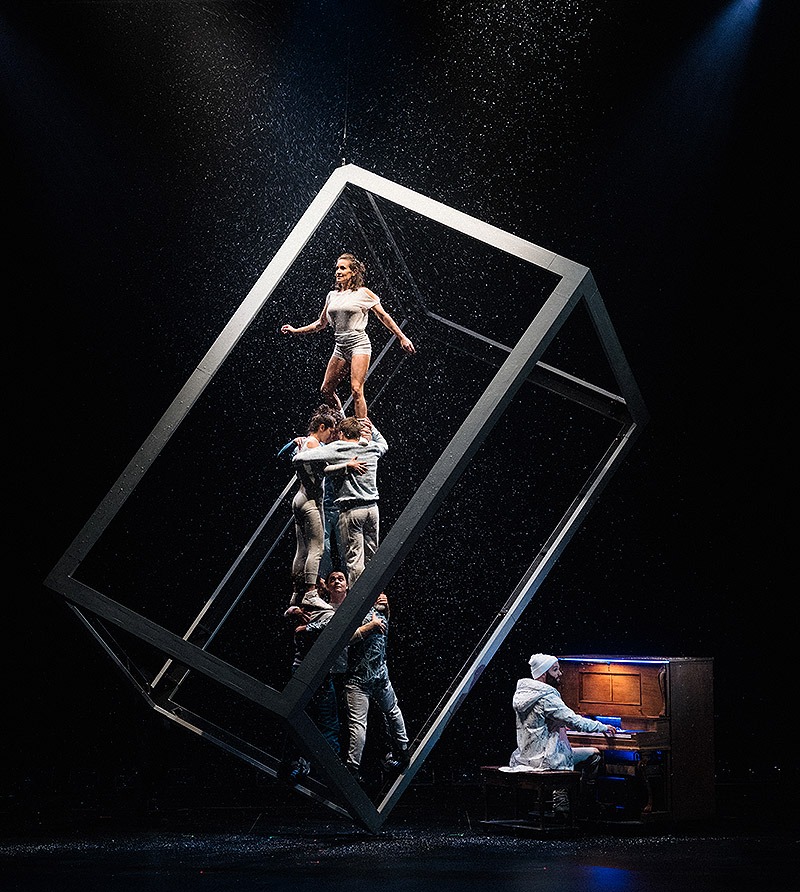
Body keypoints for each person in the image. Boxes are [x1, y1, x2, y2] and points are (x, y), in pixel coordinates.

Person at [281, 253, 415, 419]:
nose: (338, 271)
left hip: (359, 345)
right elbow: (320, 324)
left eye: (343, 268)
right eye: (337, 268)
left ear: (354, 271)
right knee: (326, 390)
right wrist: (295, 330)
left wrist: (401, 337)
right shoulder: (332, 296)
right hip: (340, 347)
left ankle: (364, 430)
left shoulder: (363, 293)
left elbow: (383, 316)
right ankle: (342, 420)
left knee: (356, 389)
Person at [504, 653, 616, 817]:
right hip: (545, 758)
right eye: (555, 670)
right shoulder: (546, 697)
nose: (560, 674)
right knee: (594, 755)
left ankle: (562, 802)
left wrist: (560, 724)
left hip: (527, 756)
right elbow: (575, 721)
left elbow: (542, 720)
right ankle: (580, 804)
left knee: (563, 752)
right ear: (543, 674)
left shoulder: (524, 694)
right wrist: (602, 726)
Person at [292, 416, 387, 587]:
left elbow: (299, 459)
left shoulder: (338, 448)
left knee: (354, 560)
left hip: (352, 511)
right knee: (373, 556)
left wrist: (299, 449)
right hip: (373, 510)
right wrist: (373, 428)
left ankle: (359, 598)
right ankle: (375, 593)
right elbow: (384, 445)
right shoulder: (372, 447)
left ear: (342, 433)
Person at [343, 592, 409, 784]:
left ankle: (402, 750)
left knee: (390, 712)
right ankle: (353, 767)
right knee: (360, 724)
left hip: (377, 676)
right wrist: (370, 627)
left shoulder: (377, 611)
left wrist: (386, 609)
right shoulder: (355, 613)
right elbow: (344, 639)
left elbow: (384, 623)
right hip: (359, 679)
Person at [289, 408, 339, 599]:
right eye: (330, 431)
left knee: (302, 549)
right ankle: (310, 592)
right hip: (310, 500)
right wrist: (347, 465)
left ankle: (296, 593)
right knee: (317, 548)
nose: (330, 436)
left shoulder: (304, 443)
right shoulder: (313, 444)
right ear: (322, 427)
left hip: (299, 498)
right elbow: (326, 468)